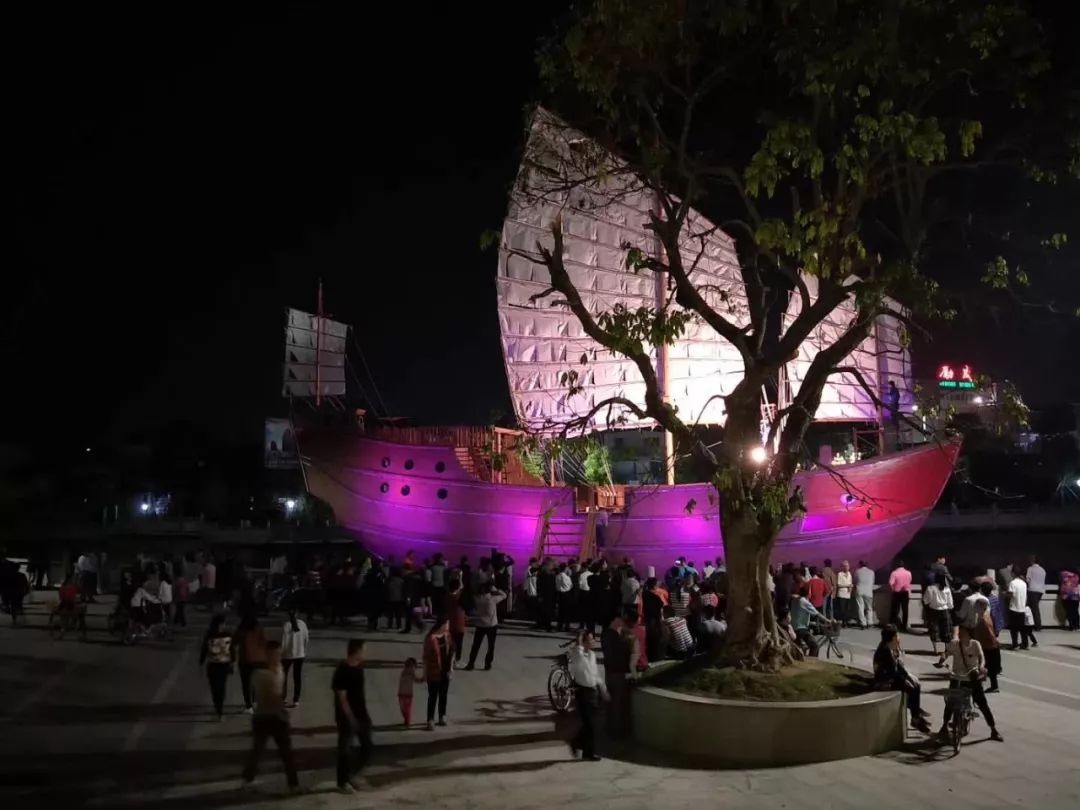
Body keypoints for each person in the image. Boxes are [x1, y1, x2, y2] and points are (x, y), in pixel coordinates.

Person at [241, 641, 300, 792]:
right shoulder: (260, 674)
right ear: (267, 655)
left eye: (279, 654)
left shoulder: (280, 669)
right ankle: (248, 780)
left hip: (276, 716)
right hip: (265, 717)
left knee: (286, 753)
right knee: (259, 750)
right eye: (274, 655)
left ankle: (293, 784)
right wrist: (282, 710)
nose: (277, 657)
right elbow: (268, 697)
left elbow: (279, 693)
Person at [938, 625, 1003, 742]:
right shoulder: (955, 644)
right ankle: (944, 727)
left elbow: (981, 657)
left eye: (964, 633)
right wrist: (942, 659)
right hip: (957, 677)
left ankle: (993, 729)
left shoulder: (975, 644)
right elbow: (946, 653)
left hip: (972, 678)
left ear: (969, 635)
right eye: (960, 633)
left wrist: (981, 667)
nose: (961, 635)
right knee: (950, 703)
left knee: (982, 704)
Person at [873, 625, 931, 733]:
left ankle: (916, 713)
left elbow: (899, 668)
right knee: (910, 688)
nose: (899, 638)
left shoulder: (891, 648)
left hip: (892, 678)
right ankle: (915, 716)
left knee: (916, 684)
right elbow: (892, 672)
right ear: (893, 637)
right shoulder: (885, 651)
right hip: (885, 682)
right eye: (897, 635)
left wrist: (909, 676)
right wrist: (905, 679)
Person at [332, 639, 373, 793]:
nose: (365, 654)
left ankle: (351, 775)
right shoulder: (342, 670)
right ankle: (342, 782)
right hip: (346, 716)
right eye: (363, 651)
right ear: (356, 652)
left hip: (362, 713)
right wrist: (350, 718)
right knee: (345, 749)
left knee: (368, 747)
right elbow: (342, 698)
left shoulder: (359, 667)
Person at [566, 630, 606, 761]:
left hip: (593, 692)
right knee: (590, 724)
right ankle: (582, 747)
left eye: (593, 639)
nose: (592, 642)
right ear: (583, 643)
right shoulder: (577, 654)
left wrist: (603, 688)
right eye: (589, 640)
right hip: (582, 692)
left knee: (591, 724)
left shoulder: (593, 655)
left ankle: (581, 747)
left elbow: (595, 674)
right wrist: (579, 641)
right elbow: (578, 653)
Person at [200, 613, 234, 720]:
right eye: (221, 624)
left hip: (224, 665)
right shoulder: (209, 635)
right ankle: (217, 705)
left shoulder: (228, 634)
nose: (222, 626)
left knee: (221, 687)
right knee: (214, 688)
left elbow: (232, 650)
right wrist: (201, 662)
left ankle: (220, 709)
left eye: (223, 624)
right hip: (213, 665)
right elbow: (204, 650)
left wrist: (233, 662)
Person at [465, 581, 506, 670]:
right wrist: (497, 590)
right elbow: (504, 595)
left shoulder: (477, 598)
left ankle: (471, 663)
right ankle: (487, 664)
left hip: (480, 624)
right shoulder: (492, 599)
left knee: (475, 645)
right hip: (492, 625)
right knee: (491, 646)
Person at [423, 617, 455, 729]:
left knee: (443, 695)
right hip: (433, 671)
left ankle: (442, 716)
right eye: (446, 624)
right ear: (441, 625)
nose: (448, 627)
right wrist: (424, 673)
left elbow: (452, 652)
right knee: (432, 696)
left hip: (445, 671)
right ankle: (430, 719)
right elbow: (425, 657)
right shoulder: (430, 638)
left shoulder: (447, 636)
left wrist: (451, 669)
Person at [234, 613, 268, 713]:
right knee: (255, 682)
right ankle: (255, 702)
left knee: (246, 683)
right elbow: (264, 642)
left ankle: (248, 706)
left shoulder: (241, 630)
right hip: (259, 660)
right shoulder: (259, 628)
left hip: (245, 660)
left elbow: (234, 642)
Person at [970, 586, 1002, 693]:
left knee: (984, 666)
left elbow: (989, 632)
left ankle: (982, 686)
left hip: (987, 645)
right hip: (987, 644)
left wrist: (994, 641)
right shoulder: (985, 616)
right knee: (988, 667)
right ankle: (993, 686)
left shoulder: (983, 618)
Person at [923, 571, 953, 666]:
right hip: (944, 611)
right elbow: (950, 603)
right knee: (946, 631)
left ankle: (937, 650)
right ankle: (946, 650)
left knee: (935, 631)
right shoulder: (947, 589)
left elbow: (926, 600)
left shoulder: (930, 588)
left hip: (934, 611)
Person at [281, 609, 309, 707]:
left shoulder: (286, 625)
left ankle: (283, 698)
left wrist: (281, 654)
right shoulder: (303, 624)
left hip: (287, 655)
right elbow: (306, 639)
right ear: (298, 614)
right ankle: (296, 700)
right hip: (300, 654)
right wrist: (304, 651)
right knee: (297, 677)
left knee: (283, 677)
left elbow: (283, 643)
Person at [790, 590, 825, 657]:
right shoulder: (804, 602)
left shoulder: (795, 600)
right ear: (808, 594)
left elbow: (799, 615)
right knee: (815, 646)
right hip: (801, 629)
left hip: (794, 627)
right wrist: (828, 621)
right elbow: (817, 614)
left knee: (804, 646)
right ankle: (812, 661)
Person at [1006, 568, 1036, 650]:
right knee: (1023, 628)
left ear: (1013, 574)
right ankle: (1025, 643)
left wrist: (1005, 594)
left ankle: (1015, 644)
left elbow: (1010, 595)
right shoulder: (1024, 583)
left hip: (1013, 608)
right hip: (1022, 608)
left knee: (1013, 628)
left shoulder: (1012, 583)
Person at [398, 657, 423, 727]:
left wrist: (421, 680)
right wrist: (422, 679)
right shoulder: (410, 672)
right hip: (406, 693)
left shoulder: (404, 672)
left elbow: (415, 679)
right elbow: (416, 680)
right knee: (406, 708)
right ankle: (407, 720)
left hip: (402, 693)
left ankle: (407, 720)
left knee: (404, 708)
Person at [888, 560, 912, 631]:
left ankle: (893, 625)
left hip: (897, 593)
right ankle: (904, 626)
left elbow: (890, 583)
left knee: (895, 610)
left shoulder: (894, 573)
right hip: (905, 593)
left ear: (896, 565)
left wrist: (893, 589)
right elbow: (909, 581)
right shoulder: (908, 573)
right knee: (905, 610)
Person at [1024, 556, 1046, 633]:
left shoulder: (1030, 569)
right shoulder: (1042, 570)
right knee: (1034, 607)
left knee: (1033, 608)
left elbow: (1028, 579)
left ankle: (1037, 625)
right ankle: (1035, 625)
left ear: (1032, 561)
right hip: (1040, 591)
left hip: (1032, 590)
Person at [855, 561, 875, 628]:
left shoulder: (857, 571)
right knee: (869, 607)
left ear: (860, 564)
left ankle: (863, 623)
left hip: (860, 591)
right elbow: (873, 581)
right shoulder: (871, 572)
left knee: (860, 607)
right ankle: (870, 622)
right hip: (869, 591)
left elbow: (855, 580)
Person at [555, 564, 574, 632]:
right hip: (566, 594)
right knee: (567, 611)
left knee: (561, 611)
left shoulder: (557, 576)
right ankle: (567, 626)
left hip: (559, 594)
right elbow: (570, 586)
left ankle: (559, 626)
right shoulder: (567, 577)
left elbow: (556, 586)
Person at [835, 561, 854, 627]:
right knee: (842, 609)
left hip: (848, 594)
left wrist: (850, 588)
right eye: (845, 566)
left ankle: (845, 622)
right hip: (841, 594)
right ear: (842, 567)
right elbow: (838, 585)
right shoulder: (840, 574)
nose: (847, 567)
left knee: (846, 609)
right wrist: (848, 585)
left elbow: (850, 583)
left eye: (848, 566)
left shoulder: (849, 574)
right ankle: (843, 622)